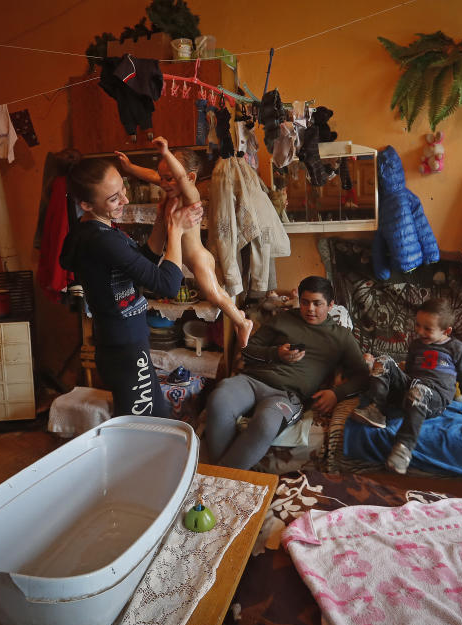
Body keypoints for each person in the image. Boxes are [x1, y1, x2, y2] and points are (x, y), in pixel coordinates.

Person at [59, 156, 202, 418]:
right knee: (148, 425)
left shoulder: (98, 232)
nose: (125, 200)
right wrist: (176, 231)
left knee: (149, 420)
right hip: (124, 348)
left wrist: (161, 220)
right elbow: (168, 285)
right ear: (86, 204)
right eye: (114, 198)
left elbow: (142, 267)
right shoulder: (100, 240)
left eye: (123, 189)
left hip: (123, 344)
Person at [204, 276, 369, 469]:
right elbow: (248, 351)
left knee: (266, 424)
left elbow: (363, 376)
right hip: (251, 381)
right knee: (218, 400)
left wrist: (336, 393)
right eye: (305, 302)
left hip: (287, 396)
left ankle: (217, 476)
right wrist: (276, 353)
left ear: (331, 305)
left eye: (318, 304)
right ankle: (217, 476)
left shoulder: (341, 337)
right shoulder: (283, 319)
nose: (310, 309)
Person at [115, 137, 255, 348]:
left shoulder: (191, 194)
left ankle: (242, 322)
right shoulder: (172, 188)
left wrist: (166, 152)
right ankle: (237, 314)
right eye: (162, 178)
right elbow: (153, 175)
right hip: (190, 258)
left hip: (197, 257)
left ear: (190, 177)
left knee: (214, 294)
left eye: (168, 178)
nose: (162, 183)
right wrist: (129, 167)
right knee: (217, 292)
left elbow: (179, 176)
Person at [352, 297, 462, 475]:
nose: (420, 331)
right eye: (418, 325)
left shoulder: (458, 349)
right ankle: (375, 409)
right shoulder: (416, 345)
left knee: (419, 391)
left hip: (434, 398)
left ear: (446, 331)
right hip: (412, 387)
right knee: (384, 360)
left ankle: (403, 449)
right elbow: (407, 373)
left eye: (427, 329)